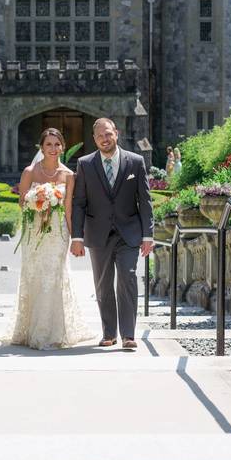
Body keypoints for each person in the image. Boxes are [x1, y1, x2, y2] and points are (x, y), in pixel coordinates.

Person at [4, 128, 93, 350]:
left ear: (62, 146)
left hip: (57, 233)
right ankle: (29, 328)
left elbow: (69, 208)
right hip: (34, 233)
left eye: (57, 144)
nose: (53, 149)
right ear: (41, 148)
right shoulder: (29, 172)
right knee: (34, 275)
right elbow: (22, 203)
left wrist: (76, 239)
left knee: (55, 276)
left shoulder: (69, 176)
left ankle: (53, 331)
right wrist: (37, 201)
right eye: (48, 145)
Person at [70, 118, 153, 351]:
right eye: (99, 136)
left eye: (108, 134)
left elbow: (145, 201)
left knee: (128, 277)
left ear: (116, 133)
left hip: (129, 233)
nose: (104, 139)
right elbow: (79, 203)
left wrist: (148, 235)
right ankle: (109, 333)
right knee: (103, 284)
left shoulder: (135, 162)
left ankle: (128, 335)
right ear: (94, 139)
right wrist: (77, 237)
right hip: (98, 234)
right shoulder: (85, 164)